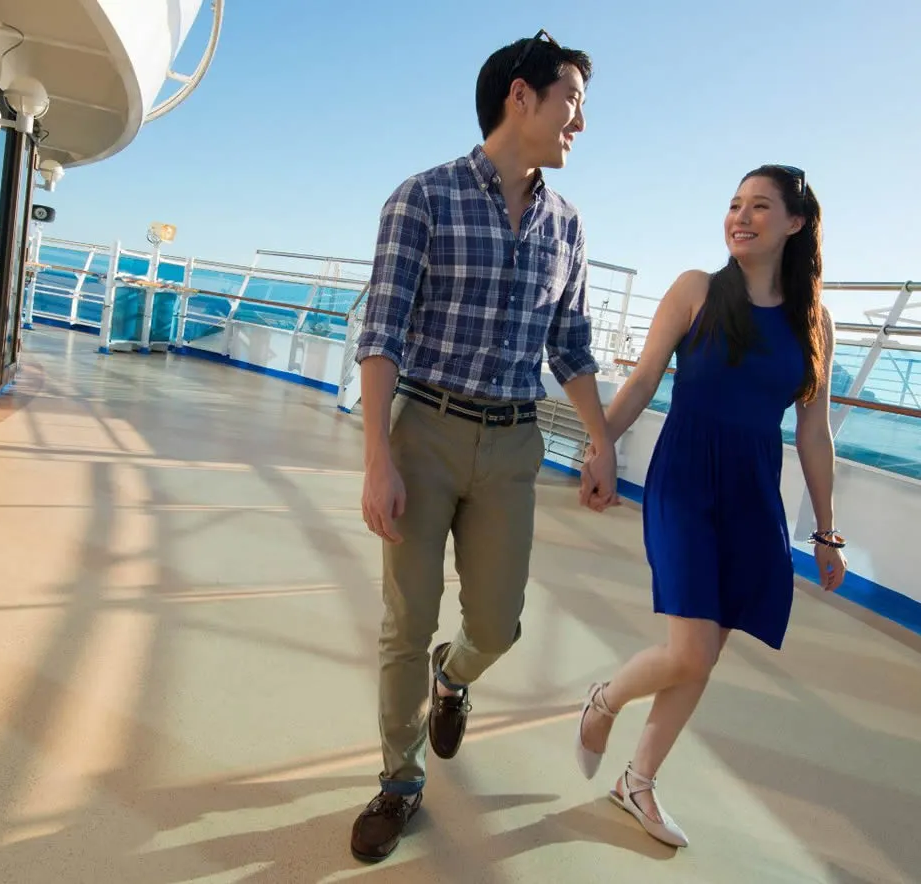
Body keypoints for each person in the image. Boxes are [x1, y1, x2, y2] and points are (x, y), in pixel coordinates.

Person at [346, 29, 617, 864]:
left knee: (496, 624)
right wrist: (378, 459)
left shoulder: (567, 226)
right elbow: (383, 333)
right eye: (572, 100)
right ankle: (399, 781)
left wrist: (600, 442)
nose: (580, 121)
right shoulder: (422, 198)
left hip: (511, 446)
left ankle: (454, 677)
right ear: (521, 96)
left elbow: (569, 346)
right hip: (422, 431)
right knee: (405, 619)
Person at [570, 165, 848, 848]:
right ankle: (603, 700)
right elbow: (640, 380)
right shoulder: (696, 290)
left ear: (796, 223)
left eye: (760, 206)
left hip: (754, 494)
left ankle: (636, 782)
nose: (741, 217)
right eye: (733, 205)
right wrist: (601, 447)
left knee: (705, 656)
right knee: (690, 651)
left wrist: (828, 531)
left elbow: (814, 432)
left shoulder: (814, 322)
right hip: (687, 480)